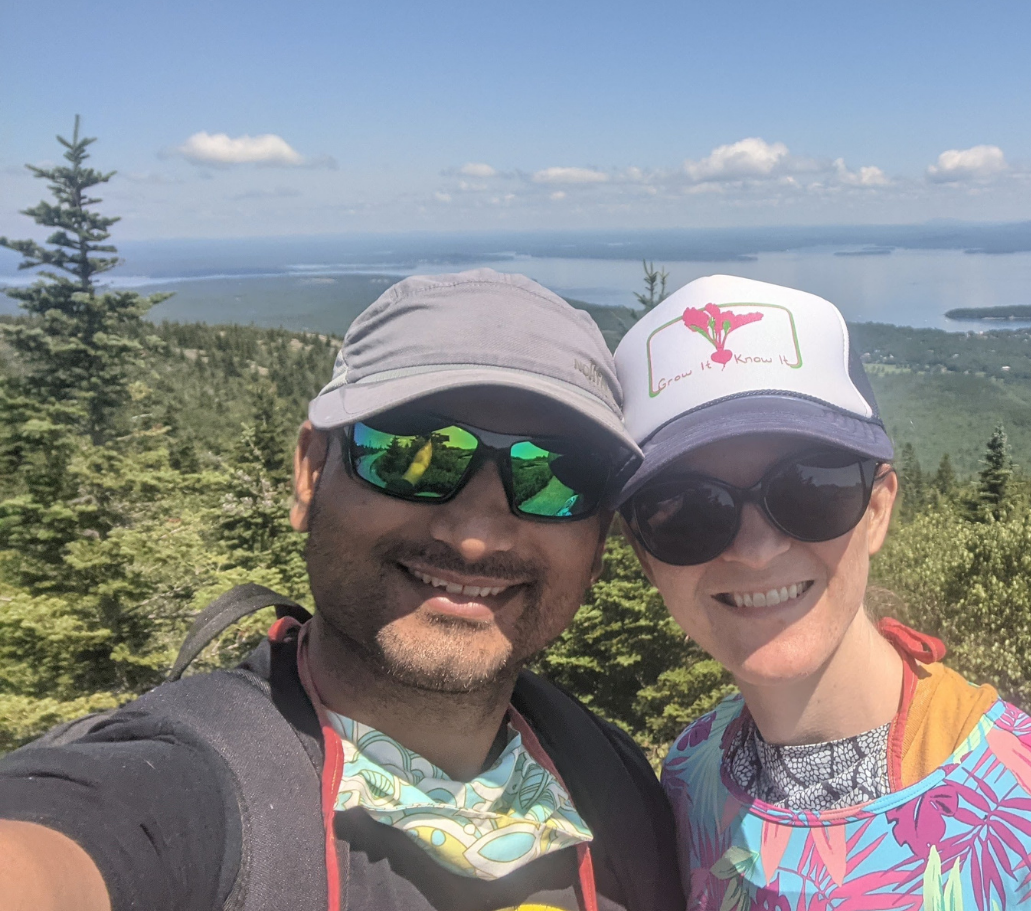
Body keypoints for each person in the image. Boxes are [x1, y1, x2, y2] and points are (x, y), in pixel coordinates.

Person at [0, 270, 685, 911]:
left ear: (599, 543)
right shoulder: (186, 788)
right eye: (411, 454)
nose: (476, 536)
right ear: (310, 474)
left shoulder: (618, 782)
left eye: (558, 478)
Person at [612, 274, 1031, 911]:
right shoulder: (691, 774)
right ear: (643, 553)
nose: (757, 549)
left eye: (810, 489)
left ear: (877, 510)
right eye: (687, 510)